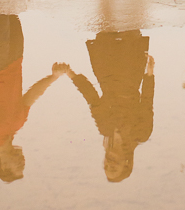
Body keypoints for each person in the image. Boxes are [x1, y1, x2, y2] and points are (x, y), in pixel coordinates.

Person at [0, 14, 69, 182]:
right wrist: (53, 77)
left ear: (3, 165)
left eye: (18, 165)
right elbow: (32, 96)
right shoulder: (17, 124)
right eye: (23, 164)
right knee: (12, 14)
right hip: (15, 60)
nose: (22, 161)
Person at [64, 30, 155, 182]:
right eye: (114, 167)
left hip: (105, 70)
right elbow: (147, 101)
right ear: (126, 164)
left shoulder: (104, 129)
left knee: (105, 23)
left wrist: (70, 73)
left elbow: (92, 98)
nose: (109, 163)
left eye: (106, 166)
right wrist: (149, 74)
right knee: (129, 24)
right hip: (130, 70)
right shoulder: (141, 134)